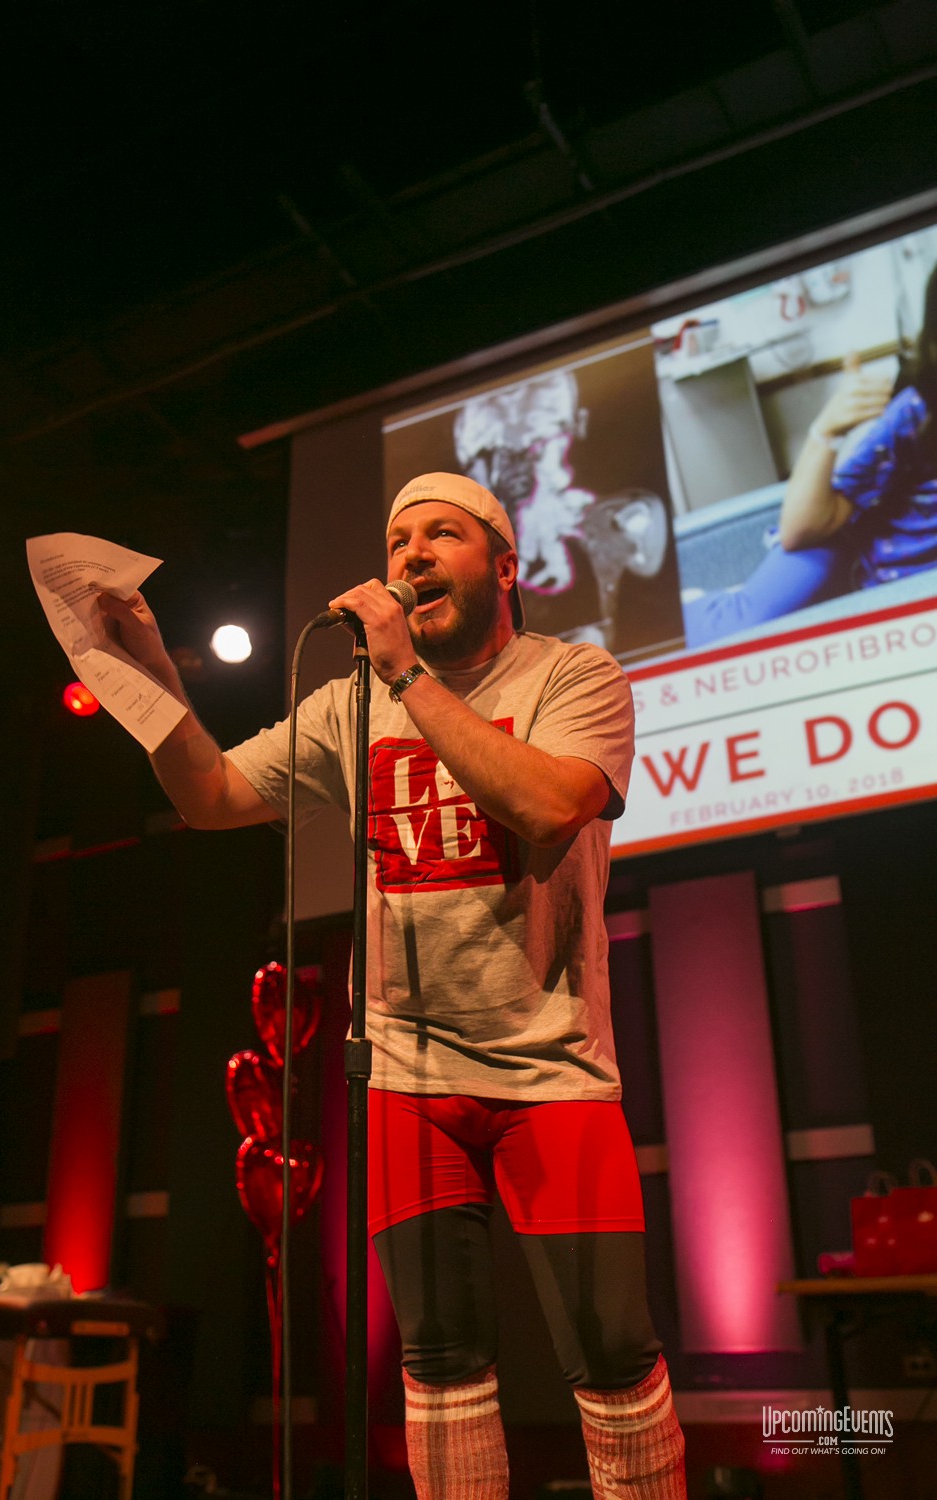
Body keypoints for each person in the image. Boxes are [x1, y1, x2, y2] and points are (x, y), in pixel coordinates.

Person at [100, 471, 686, 1500]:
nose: (409, 553)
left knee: (612, 1350)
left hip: (549, 1068)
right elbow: (208, 796)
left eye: (441, 534)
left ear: (504, 566)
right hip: (409, 1075)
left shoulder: (573, 676)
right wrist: (142, 672)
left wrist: (410, 677)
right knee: (442, 1361)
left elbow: (549, 809)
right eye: (397, 537)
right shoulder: (346, 706)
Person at [683, 262, 937, 647]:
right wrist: (826, 431)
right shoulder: (916, 416)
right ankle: (705, 604)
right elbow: (801, 529)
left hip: (897, 590)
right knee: (735, 626)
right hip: (845, 546)